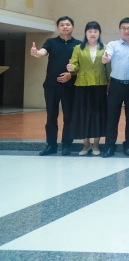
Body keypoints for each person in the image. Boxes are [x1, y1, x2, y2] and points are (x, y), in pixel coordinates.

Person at [30, 16, 81, 156]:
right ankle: (51, 145)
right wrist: (36, 53)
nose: (65, 27)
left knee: (69, 116)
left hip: (70, 86)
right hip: (51, 86)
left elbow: (82, 66)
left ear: (73, 27)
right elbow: (42, 52)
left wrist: (70, 75)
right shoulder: (50, 42)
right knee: (51, 116)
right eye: (62, 25)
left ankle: (66, 145)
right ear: (58, 28)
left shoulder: (79, 45)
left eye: (68, 24)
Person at [67, 21, 108, 156]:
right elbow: (74, 65)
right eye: (90, 31)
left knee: (98, 114)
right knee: (83, 114)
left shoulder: (105, 48)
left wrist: (110, 83)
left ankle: (96, 145)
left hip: (100, 84)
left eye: (95, 31)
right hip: (82, 85)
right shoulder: (78, 48)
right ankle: (86, 145)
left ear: (99, 33)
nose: (93, 34)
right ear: (85, 33)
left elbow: (109, 68)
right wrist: (71, 68)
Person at [101, 18, 129, 157]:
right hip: (116, 85)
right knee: (112, 116)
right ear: (120, 30)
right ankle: (110, 146)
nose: (126, 31)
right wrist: (106, 58)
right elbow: (108, 55)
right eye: (123, 28)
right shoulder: (113, 44)